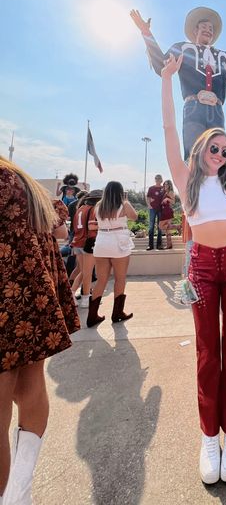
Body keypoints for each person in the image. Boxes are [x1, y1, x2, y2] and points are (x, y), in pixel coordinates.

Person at [160, 53, 226, 484]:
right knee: (206, 352)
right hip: (200, 266)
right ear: (201, 149)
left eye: (225, 150)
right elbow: (166, 128)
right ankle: (208, 435)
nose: (219, 154)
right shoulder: (185, 178)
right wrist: (167, 80)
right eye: (214, 148)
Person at [0, 157, 80, 504]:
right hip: (30, 289)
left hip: (14, 285)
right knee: (29, 387)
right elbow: (60, 225)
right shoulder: (18, 177)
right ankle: (18, 491)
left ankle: (16, 494)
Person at [130, 7, 226, 159]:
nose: (208, 30)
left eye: (211, 28)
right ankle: (190, 185)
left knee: (218, 156)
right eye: (204, 27)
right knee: (193, 154)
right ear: (195, 31)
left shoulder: (222, 56)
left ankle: (217, 186)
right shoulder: (183, 48)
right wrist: (146, 33)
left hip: (217, 111)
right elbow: (161, 65)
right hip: (194, 108)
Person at [86, 182, 138, 328]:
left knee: (102, 280)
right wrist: (126, 200)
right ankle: (117, 313)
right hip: (118, 243)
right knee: (120, 279)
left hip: (102, 242)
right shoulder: (124, 204)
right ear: (120, 192)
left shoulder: (99, 206)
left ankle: (92, 316)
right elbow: (134, 216)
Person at [70, 190, 103, 309]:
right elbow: (91, 226)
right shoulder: (94, 209)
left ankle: (72, 294)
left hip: (77, 242)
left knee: (83, 271)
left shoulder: (80, 208)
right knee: (87, 272)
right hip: (88, 242)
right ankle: (85, 299)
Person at [146, 175, 164, 250]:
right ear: (155, 179)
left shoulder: (163, 188)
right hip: (152, 209)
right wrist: (149, 205)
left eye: (159, 178)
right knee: (151, 227)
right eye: (156, 178)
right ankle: (150, 245)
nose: (157, 179)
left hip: (161, 209)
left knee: (160, 227)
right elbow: (148, 197)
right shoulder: (151, 188)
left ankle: (159, 245)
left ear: (161, 180)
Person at [159, 180, 176, 249]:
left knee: (160, 226)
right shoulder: (165, 192)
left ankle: (177, 226)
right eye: (164, 184)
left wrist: (167, 199)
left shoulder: (171, 192)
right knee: (167, 230)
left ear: (169, 185)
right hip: (164, 211)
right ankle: (169, 245)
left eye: (167, 185)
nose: (165, 186)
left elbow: (173, 202)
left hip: (168, 211)